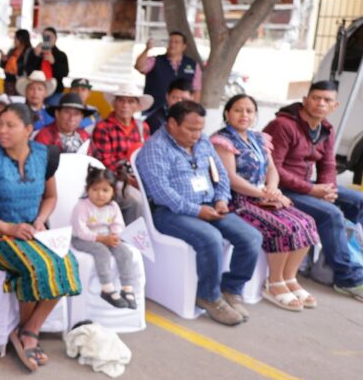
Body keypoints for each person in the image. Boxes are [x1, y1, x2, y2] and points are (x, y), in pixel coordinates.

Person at [0, 103, 81, 372]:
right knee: (37, 266)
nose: (1, 130)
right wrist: (8, 228)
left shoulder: (45, 155)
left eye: (10, 125)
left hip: (32, 232)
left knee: (68, 262)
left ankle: (31, 328)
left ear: (28, 129)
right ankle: (25, 331)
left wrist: (40, 219)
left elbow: (50, 196)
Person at [137, 101, 263, 325]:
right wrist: (196, 211)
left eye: (200, 129)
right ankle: (209, 296)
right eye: (191, 129)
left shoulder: (203, 141)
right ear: (172, 123)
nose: (197, 135)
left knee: (251, 237)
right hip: (171, 212)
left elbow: (220, 174)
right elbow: (161, 193)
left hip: (210, 205)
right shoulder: (155, 148)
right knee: (211, 238)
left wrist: (222, 199)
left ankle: (231, 289)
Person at [212, 95, 320, 311]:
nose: (244, 115)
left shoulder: (258, 138)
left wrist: (272, 189)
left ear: (255, 114)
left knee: (307, 222)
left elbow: (272, 169)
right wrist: (265, 194)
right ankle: (274, 282)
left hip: (263, 196)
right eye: (238, 110)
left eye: (249, 111)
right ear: (227, 113)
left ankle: (289, 278)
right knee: (282, 228)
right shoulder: (222, 141)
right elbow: (231, 179)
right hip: (238, 201)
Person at [263, 81, 363, 302]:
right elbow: (273, 168)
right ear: (306, 100)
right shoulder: (283, 125)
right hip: (279, 188)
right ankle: (348, 278)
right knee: (331, 214)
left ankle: (352, 259)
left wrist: (328, 190)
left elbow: (328, 164)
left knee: (358, 200)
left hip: (306, 186)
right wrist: (312, 190)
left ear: (335, 105)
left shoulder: (326, 128)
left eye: (327, 100)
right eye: (316, 98)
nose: (321, 103)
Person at [70, 167, 140, 309]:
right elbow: (81, 231)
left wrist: (115, 235)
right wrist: (102, 239)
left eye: (105, 190)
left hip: (106, 237)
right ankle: (107, 287)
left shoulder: (113, 206)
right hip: (83, 239)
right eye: (95, 189)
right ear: (87, 189)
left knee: (125, 251)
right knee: (101, 251)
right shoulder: (82, 206)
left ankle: (127, 287)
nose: (100, 194)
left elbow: (117, 224)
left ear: (113, 191)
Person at [89, 84, 153, 223]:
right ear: (114, 103)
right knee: (136, 201)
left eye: (130, 101)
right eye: (121, 100)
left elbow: (148, 157)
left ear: (137, 106)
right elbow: (105, 162)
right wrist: (129, 179)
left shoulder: (143, 127)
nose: (125, 105)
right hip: (114, 180)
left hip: (138, 177)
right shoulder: (103, 127)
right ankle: (132, 235)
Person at [135, 30, 202, 109]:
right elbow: (139, 67)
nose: (172, 45)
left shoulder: (193, 65)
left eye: (176, 42)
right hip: (154, 110)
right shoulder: (155, 60)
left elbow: (197, 89)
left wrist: (194, 109)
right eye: (170, 42)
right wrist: (147, 49)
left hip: (182, 111)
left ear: (184, 46)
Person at [21, 27, 69, 97]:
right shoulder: (34, 53)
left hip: (55, 91)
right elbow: (28, 71)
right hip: (35, 90)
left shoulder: (61, 55)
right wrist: (36, 56)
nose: (47, 39)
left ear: (55, 38)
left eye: (49, 36)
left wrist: (53, 62)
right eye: (44, 36)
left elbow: (64, 73)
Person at [1, 29, 32, 95]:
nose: (14, 40)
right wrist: (3, 60)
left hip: (21, 82)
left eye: (16, 38)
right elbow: (3, 66)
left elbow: (28, 67)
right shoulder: (12, 51)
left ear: (23, 39)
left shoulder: (29, 52)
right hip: (9, 81)